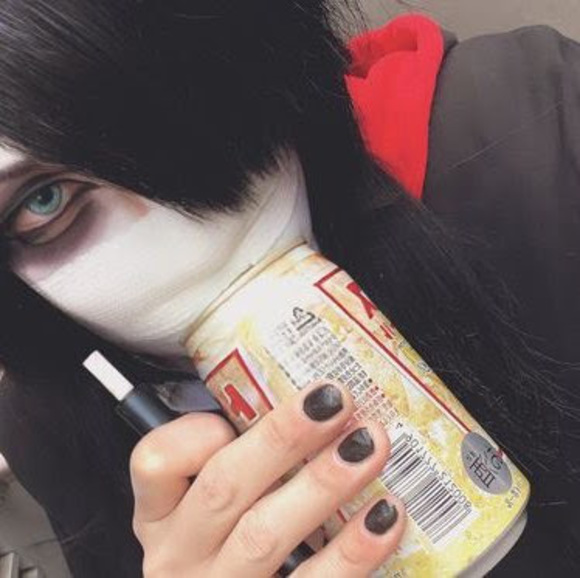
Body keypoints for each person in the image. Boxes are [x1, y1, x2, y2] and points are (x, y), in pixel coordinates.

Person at [0, 1, 578, 576]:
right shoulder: (53, 423)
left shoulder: (532, 127)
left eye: (140, 110)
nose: (168, 232)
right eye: (41, 202)